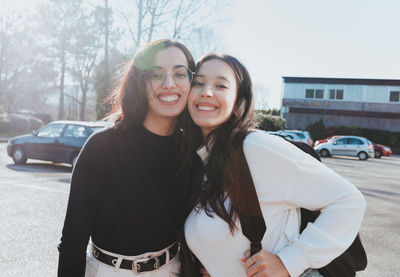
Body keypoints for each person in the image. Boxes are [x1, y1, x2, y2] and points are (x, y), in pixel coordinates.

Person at [182, 54, 366, 277]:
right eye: (198, 83)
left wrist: (289, 262)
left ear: (237, 101)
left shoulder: (255, 147)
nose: (206, 91)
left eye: (221, 85)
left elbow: (348, 201)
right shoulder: (203, 161)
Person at [57, 39, 196, 277]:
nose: (169, 84)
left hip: (173, 269)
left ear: (191, 81)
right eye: (157, 74)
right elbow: (72, 241)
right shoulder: (103, 146)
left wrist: (282, 260)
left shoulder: (191, 151)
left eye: (180, 73)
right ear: (140, 82)